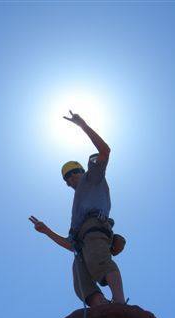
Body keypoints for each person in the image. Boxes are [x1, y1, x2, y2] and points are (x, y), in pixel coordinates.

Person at [29, 110, 127, 307]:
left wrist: (83, 125)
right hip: (81, 241)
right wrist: (46, 230)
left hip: (95, 229)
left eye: (73, 173)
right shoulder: (77, 209)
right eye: (66, 178)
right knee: (81, 283)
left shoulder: (93, 177)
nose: (70, 179)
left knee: (100, 261)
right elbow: (70, 245)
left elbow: (105, 151)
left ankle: (119, 302)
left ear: (82, 171)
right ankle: (103, 308)